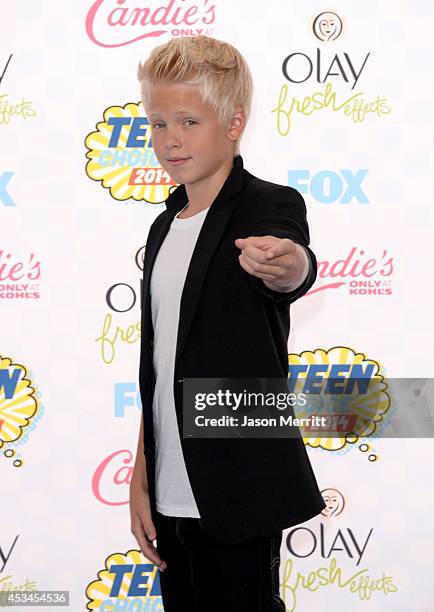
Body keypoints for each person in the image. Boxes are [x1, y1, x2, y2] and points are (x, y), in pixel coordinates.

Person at [130, 35, 326, 611]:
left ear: (235, 120)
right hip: (169, 491)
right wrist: (141, 477)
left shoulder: (268, 205)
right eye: (158, 123)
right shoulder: (163, 228)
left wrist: (288, 265)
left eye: (189, 121)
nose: (170, 140)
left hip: (240, 485)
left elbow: (291, 264)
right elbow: (161, 367)